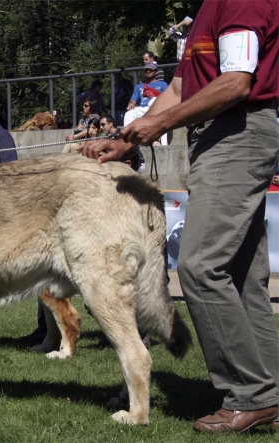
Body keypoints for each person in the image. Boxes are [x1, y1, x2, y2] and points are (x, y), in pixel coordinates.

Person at [81, 0, 279, 432]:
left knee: (200, 266)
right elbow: (177, 89)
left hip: (236, 132)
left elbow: (236, 84)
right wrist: (126, 142)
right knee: (242, 274)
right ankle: (270, 393)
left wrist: (163, 122)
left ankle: (251, 396)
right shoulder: (209, 9)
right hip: (222, 134)